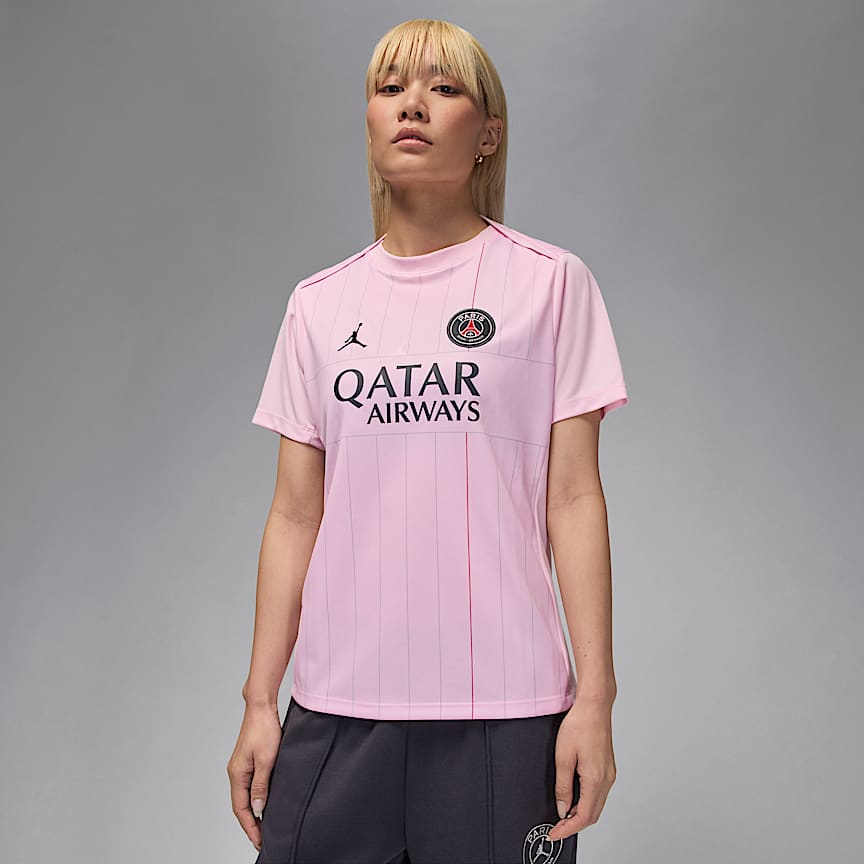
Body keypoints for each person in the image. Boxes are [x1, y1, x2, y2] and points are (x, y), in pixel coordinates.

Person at [227, 17, 628, 864]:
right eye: (390, 88)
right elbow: (295, 516)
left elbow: (573, 499)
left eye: (444, 89)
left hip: (507, 714)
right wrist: (261, 700)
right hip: (337, 709)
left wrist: (594, 700)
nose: (412, 106)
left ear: (488, 136)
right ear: (370, 121)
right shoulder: (318, 305)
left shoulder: (551, 285)